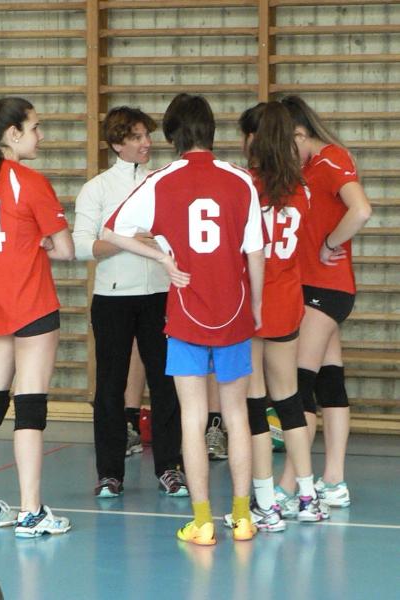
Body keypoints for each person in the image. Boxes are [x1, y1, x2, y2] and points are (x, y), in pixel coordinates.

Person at [103, 93, 265, 545]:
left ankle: (203, 521)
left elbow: (111, 230)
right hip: (233, 310)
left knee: (192, 417)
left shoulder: (160, 181)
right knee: (236, 414)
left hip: (187, 311)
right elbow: (255, 251)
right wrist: (256, 306)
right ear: (212, 131)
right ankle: (242, 517)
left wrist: (161, 256)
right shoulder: (241, 179)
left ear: (173, 135)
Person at [0, 97, 74, 536]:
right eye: (35, 127)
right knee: (30, 405)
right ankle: (31, 511)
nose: (40, 136)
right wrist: (42, 244)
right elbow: (65, 249)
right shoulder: (30, 181)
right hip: (31, 302)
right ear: (12, 134)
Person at [73, 106, 186, 498]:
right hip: (113, 299)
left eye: (147, 135)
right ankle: (109, 473)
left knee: (166, 383)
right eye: (136, 137)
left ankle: (170, 467)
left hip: (160, 296)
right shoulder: (97, 188)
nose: (146, 143)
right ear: (117, 143)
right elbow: (82, 245)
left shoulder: (162, 182)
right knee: (110, 386)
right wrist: (128, 242)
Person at [227, 101, 328, 532]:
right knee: (289, 400)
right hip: (287, 301)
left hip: (250, 304)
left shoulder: (242, 186)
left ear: (252, 139)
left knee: (254, 403)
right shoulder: (301, 188)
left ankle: (266, 503)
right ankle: (307, 497)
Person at [273, 96, 371, 512]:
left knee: (299, 384)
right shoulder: (307, 168)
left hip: (324, 290)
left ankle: (288, 486)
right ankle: (333, 481)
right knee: (330, 382)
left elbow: (361, 210)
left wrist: (331, 243)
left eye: (285, 142)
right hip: (317, 289)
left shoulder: (331, 159)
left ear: (300, 133)